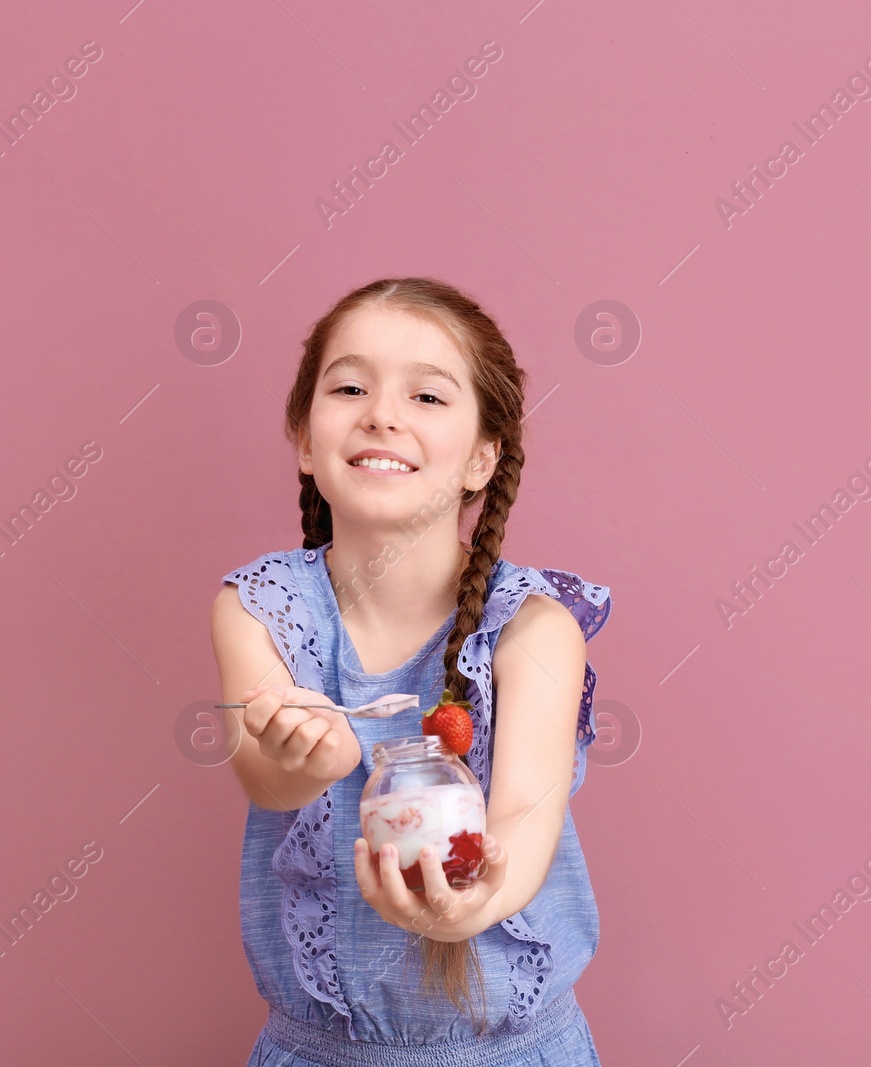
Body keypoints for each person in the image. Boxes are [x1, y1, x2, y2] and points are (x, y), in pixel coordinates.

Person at [209, 276, 613, 1066]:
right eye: (350, 386)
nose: (383, 413)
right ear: (303, 437)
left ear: (482, 458)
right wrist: (313, 759)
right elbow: (266, 779)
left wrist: (471, 906)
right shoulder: (258, 606)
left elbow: (526, 816)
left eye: (427, 397)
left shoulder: (535, 629)